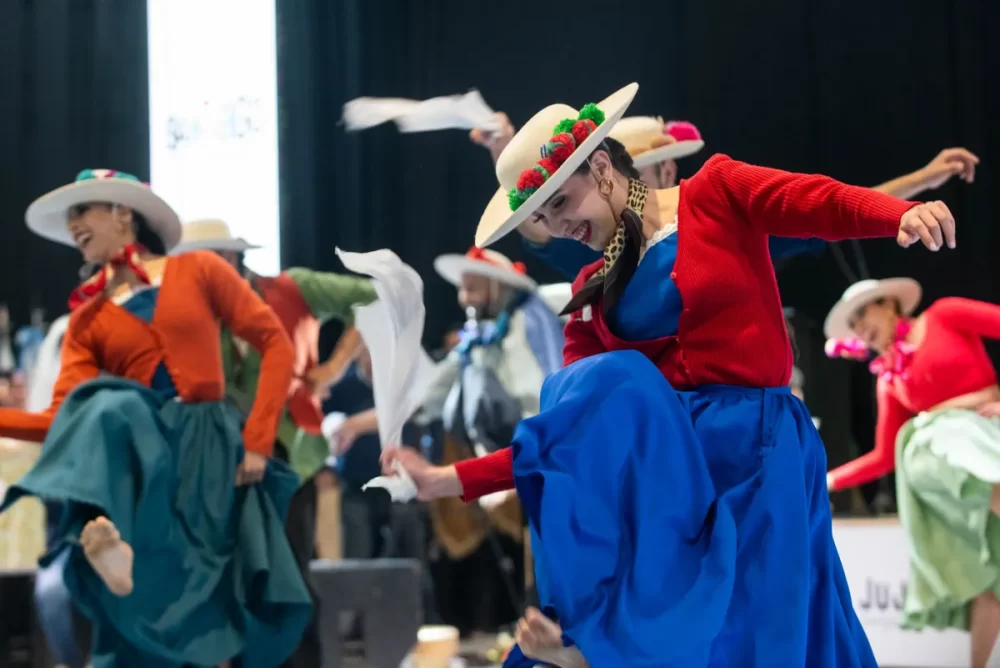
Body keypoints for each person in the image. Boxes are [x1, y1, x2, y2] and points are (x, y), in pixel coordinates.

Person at [384, 83, 956, 667]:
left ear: (600, 166)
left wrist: (899, 214)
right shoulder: (590, 296)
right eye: (542, 216)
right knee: (581, 395)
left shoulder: (716, 192)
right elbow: (570, 435)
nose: (557, 226)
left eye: (561, 203)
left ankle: (602, 650)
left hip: (763, 457)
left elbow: (813, 200)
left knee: (771, 637)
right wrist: (449, 479)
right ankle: (592, 647)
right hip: (677, 481)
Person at [0, 169, 310, 667]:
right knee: (105, 405)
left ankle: (116, 547)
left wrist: (258, 439)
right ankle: (108, 540)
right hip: (145, 457)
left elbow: (275, 342)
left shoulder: (198, 269)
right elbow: (64, 418)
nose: (73, 225)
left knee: (207, 604)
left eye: (82, 211)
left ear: (123, 213)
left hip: (208, 452)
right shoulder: (86, 319)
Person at [171, 217, 378, 668]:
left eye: (205, 264)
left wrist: (335, 367)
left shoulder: (291, 288)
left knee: (289, 575)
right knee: (230, 578)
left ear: (230, 257)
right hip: (224, 465)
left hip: (291, 459)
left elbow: (376, 295)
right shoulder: (193, 314)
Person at [472, 111, 977, 280]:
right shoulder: (601, 257)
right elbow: (544, 228)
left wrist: (908, 197)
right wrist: (513, 158)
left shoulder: (717, 200)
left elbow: (822, 204)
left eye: (638, 171)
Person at [824, 278, 1000, 668]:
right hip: (955, 475)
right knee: (988, 579)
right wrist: (827, 481)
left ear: (889, 304)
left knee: (932, 437)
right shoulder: (890, 377)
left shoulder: (945, 315)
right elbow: (884, 456)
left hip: (987, 442)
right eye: (852, 325)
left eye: (862, 313)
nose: (859, 328)